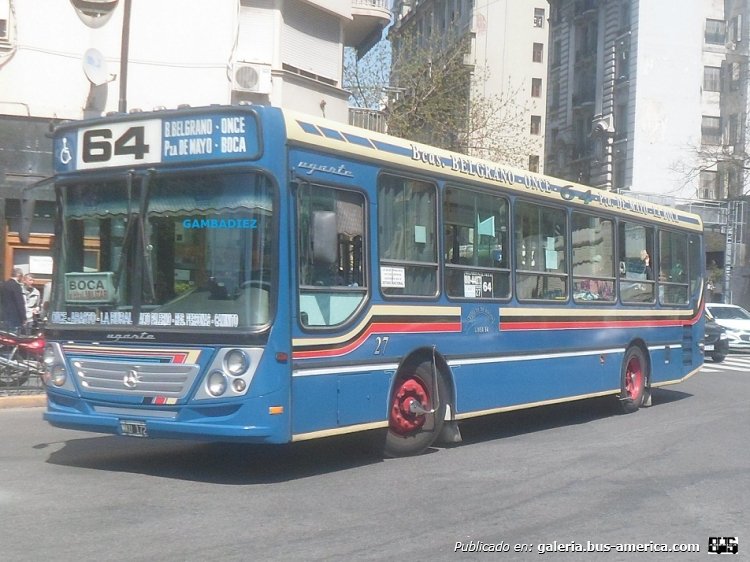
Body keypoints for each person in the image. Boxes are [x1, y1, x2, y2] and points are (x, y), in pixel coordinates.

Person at [0, 268, 28, 332]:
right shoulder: (16, 286)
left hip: (3, 316)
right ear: (19, 275)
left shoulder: (3, 285)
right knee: (13, 338)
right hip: (15, 317)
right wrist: (24, 317)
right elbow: (20, 303)